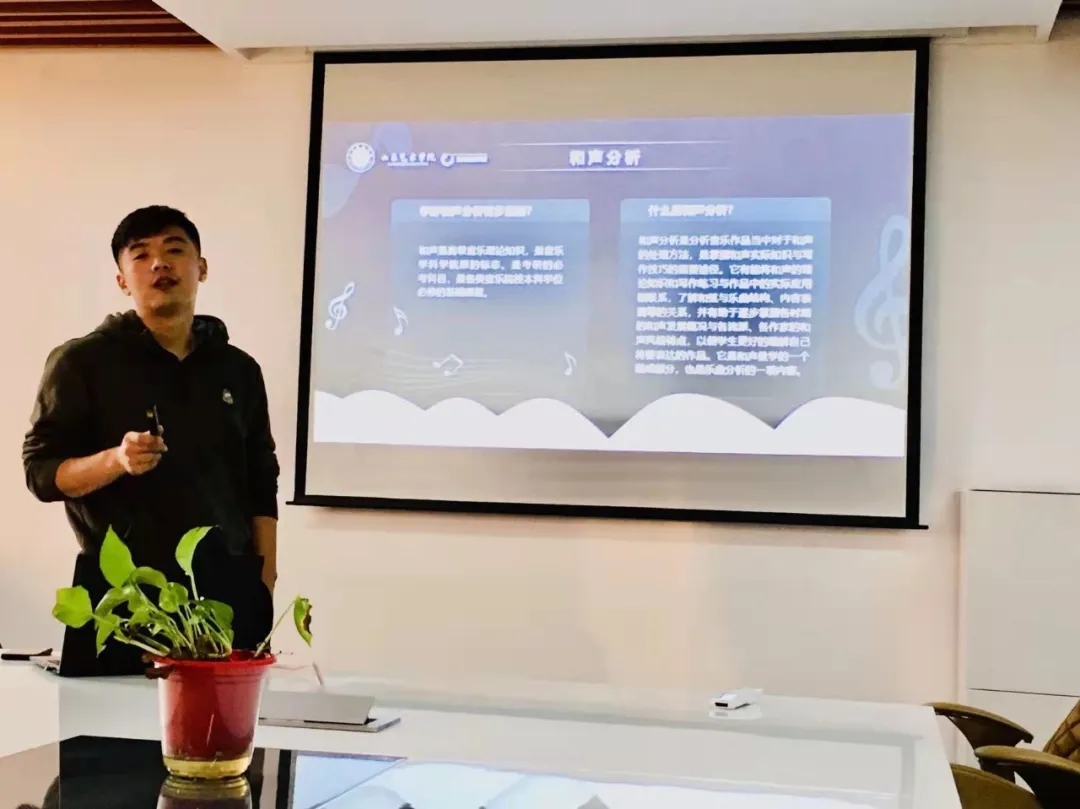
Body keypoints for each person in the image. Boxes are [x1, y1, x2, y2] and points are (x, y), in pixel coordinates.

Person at [22, 205, 279, 676]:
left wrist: (264, 578)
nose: (159, 263)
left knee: (228, 724)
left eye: (174, 250)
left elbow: (262, 477)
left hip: (228, 588)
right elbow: (41, 474)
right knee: (105, 724)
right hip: (123, 590)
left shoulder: (239, 370)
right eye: (141, 255)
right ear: (122, 280)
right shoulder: (81, 363)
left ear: (201, 268)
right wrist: (116, 461)